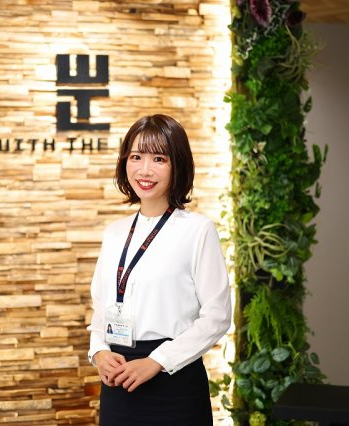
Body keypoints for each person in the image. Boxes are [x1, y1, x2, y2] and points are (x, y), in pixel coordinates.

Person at [87, 114, 231, 425]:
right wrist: (99, 352)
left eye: (159, 159)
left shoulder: (198, 230)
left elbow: (217, 316)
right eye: (136, 157)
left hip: (173, 381)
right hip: (118, 379)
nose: (145, 170)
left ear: (178, 165)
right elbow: (101, 307)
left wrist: (157, 361)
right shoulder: (114, 233)